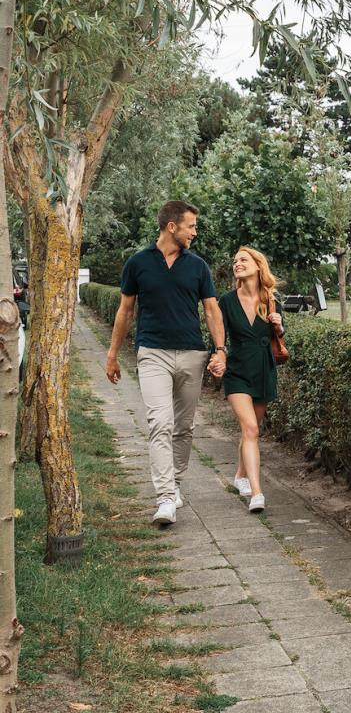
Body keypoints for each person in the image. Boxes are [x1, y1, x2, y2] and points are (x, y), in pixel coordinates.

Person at [106, 201, 226, 528]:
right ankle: (165, 497)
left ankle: (176, 483)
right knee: (160, 422)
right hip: (152, 353)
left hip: (192, 354)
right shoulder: (138, 263)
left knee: (184, 427)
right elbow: (125, 311)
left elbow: (212, 310)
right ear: (172, 226)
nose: (195, 232)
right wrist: (112, 354)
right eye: (191, 226)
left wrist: (219, 350)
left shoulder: (198, 266)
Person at [219, 246, 283, 514]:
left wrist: (278, 325)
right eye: (235, 261)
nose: (237, 264)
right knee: (251, 430)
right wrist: (218, 356)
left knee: (251, 430)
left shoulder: (270, 299)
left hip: (263, 370)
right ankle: (257, 493)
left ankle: (240, 475)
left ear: (258, 265)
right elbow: (219, 335)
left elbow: (278, 336)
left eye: (243, 260)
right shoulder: (226, 301)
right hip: (237, 372)